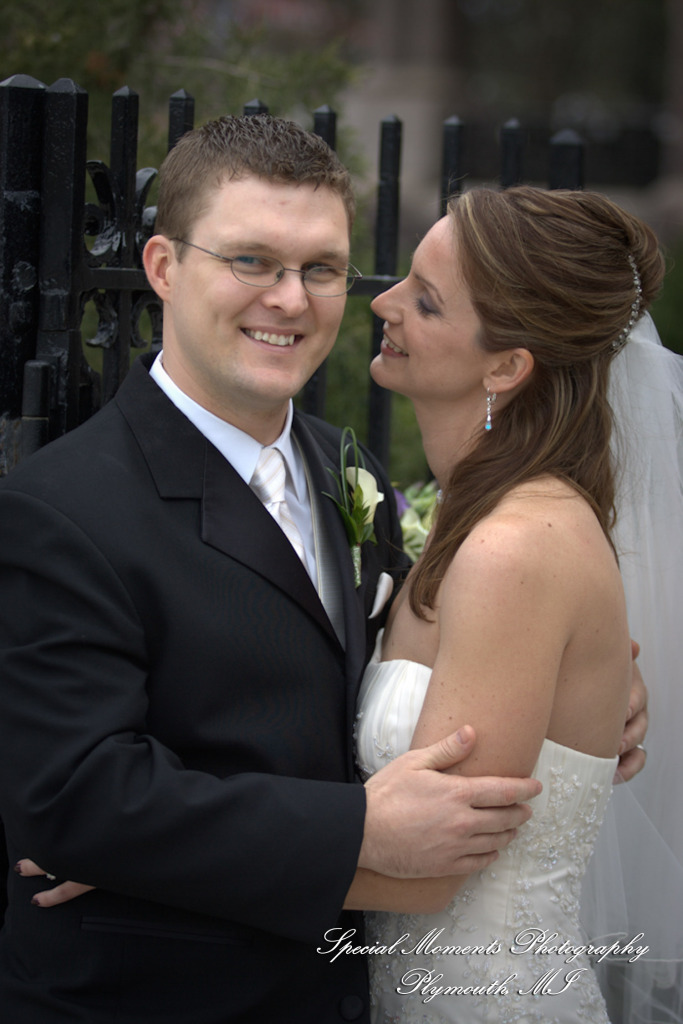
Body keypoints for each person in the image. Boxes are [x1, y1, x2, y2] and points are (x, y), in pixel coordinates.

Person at [0, 115, 548, 1024]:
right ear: (163, 267)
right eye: (251, 261)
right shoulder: (59, 508)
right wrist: (357, 829)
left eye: (321, 268)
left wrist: (577, 681)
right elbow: (75, 798)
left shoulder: (346, 469)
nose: (291, 300)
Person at [350, 186, 679, 1023]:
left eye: (425, 301)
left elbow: (434, 864)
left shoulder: (512, 550)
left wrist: (142, 866)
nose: (383, 302)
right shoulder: (472, 521)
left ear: (506, 367)